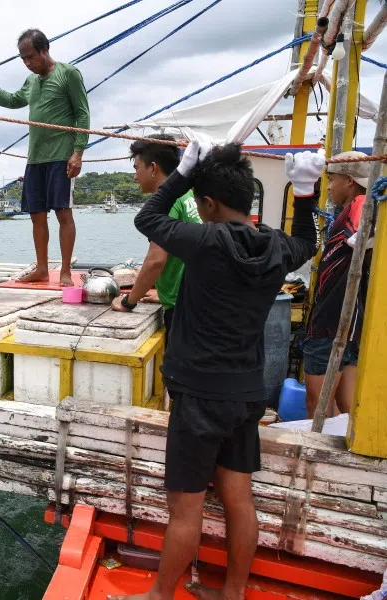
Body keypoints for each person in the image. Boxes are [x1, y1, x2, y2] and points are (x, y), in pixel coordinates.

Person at [110, 141, 318, 600]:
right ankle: (234, 595)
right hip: (246, 395)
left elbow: (148, 220)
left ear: (208, 203)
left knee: (185, 509)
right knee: (239, 500)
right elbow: (306, 241)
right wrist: (304, 192)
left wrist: (181, 172)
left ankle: (160, 595)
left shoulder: (204, 242)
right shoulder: (275, 246)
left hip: (200, 395)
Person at [0, 28, 90, 287]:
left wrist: (78, 153)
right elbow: (13, 100)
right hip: (35, 158)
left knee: (63, 212)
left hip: (62, 156)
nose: (27, 63)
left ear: (44, 51)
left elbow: (83, 114)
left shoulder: (68, 74)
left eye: (30, 57)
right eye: (23, 59)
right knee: (36, 215)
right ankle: (41, 268)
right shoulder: (31, 81)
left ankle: (65, 272)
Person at [111, 135, 201, 345]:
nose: (135, 176)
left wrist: (129, 301)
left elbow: (156, 260)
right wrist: (163, 293)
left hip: (183, 308)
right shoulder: (187, 196)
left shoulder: (166, 203)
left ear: (153, 168)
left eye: (136, 168)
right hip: (194, 298)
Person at [303, 151, 372, 418]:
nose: (330, 186)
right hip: (351, 324)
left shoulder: (360, 202)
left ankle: (318, 458)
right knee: (347, 407)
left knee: (317, 407)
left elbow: (361, 231)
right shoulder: (350, 208)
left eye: (333, 179)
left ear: (350, 180)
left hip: (330, 323)